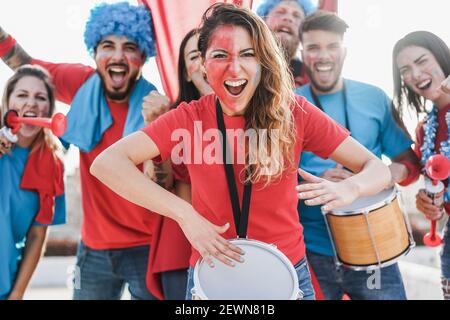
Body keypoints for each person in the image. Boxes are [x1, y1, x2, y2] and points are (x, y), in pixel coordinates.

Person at [90, 3, 392, 301]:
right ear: (204, 64)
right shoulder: (189, 116)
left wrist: (350, 188)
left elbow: (376, 168)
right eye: (220, 55)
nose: (234, 68)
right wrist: (185, 216)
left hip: (287, 272)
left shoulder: (295, 112)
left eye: (247, 55)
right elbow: (107, 164)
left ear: (263, 61)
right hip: (210, 276)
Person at [0, 2, 169, 300]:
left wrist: (159, 126)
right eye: (108, 46)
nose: (118, 56)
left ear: (143, 56)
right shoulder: (82, 84)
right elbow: (26, 68)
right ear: (94, 52)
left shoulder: (155, 106)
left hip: (148, 246)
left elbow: (164, 181)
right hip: (94, 249)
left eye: (130, 47)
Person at [295, 11, 419, 300]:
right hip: (310, 251)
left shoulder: (374, 97)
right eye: (313, 47)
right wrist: (318, 183)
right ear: (303, 53)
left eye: (332, 46)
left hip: (374, 249)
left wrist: (377, 177)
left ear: (345, 51)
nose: (323, 55)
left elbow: (410, 164)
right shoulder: (287, 103)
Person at [144, 28, 213, 300]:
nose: (206, 62)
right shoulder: (173, 119)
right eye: (196, 56)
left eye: (214, 53)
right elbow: (157, 185)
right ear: (186, 72)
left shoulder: (250, 122)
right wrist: (154, 129)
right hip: (181, 248)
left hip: (236, 246)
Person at [392, 31, 450, 300]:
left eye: (422, 61)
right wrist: (429, 200)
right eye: (406, 69)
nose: (415, 74)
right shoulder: (425, 130)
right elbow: (435, 182)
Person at [0, 65, 66, 300]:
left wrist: (17, 294)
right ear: (7, 102)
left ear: (49, 108)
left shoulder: (53, 165)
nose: (31, 104)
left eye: (40, 97)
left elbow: (37, 236)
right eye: (22, 95)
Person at [257, 0, 317, 87]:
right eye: (280, 12)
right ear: (263, 20)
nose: (288, 18)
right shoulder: (242, 62)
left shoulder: (312, 79)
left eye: (296, 15)